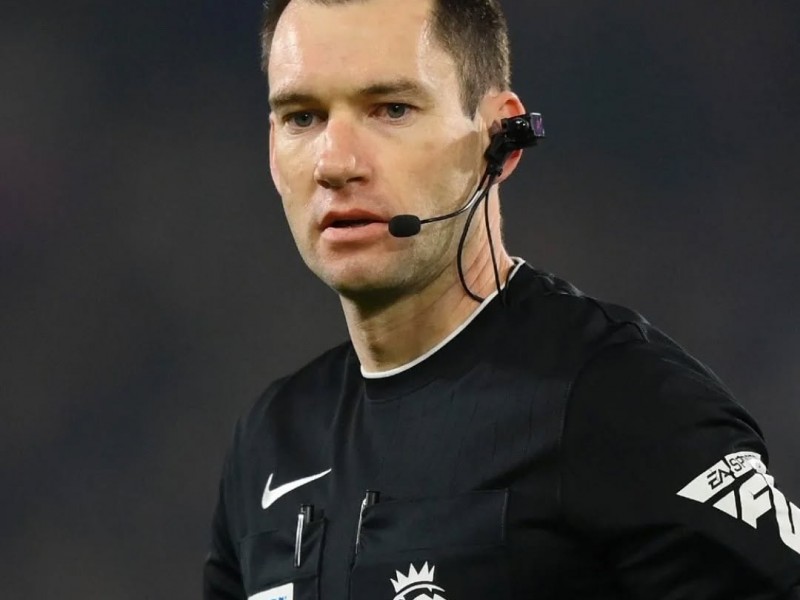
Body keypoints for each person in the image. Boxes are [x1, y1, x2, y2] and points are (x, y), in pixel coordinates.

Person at [204, 0, 800, 598]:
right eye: (302, 117)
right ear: (273, 150)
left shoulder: (621, 402)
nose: (335, 163)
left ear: (499, 141)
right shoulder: (270, 441)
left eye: (392, 109)